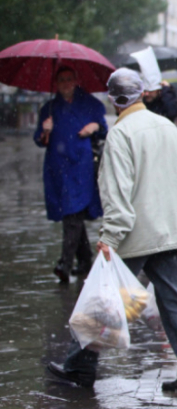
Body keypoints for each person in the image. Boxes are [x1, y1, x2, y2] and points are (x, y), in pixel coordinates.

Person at [46, 68, 177, 393]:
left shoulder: (120, 135)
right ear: (141, 94)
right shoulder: (167, 127)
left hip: (136, 234)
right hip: (169, 231)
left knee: (103, 298)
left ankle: (79, 367)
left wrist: (109, 237)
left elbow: (117, 193)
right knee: (176, 303)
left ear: (113, 99)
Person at [33, 66, 108, 284]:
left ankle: (64, 264)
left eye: (69, 79)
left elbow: (103, 130)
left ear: (76, 81)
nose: (66, 83)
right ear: (56, 83)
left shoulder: (90, 104)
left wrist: (94, 126)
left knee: (73, 213)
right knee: (71, 212)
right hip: (58, 168)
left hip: (82, 167)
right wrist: (45, 130)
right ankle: (84, 260)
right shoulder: (49, 109)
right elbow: (39, 140)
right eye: (61, 80)